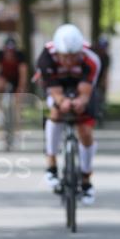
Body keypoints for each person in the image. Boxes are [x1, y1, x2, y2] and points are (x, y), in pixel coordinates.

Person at [35, 23, 101, 205]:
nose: (70, 61)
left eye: (74, 57)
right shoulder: (46, 58)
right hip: (57, 87)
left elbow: (86, 92)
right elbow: (55, 92)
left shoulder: (91, 60)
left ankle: (86, 181)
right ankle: (51, 165)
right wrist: (62, 101)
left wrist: (80, 101)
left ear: (80, 51)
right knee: (55, 112)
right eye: (65, 57)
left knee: (85, 132)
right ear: (57, 52)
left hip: (81, 87)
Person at [0, 35, 28, 125]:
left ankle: (18, 117)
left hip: (16, 78)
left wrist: (21, 88)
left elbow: (23, 73)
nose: (10, 54)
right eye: (8, 51)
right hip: (4, 77)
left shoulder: (20, 56)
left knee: (19, 96)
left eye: (12, 51)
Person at [92, 33, 111, 123]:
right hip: (91, 78)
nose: (104, 49)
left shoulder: (106, 57)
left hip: (99, 79)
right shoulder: (93, 54)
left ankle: (100, 112)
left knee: (100, 96)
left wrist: (105, 82)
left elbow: (106, 71)